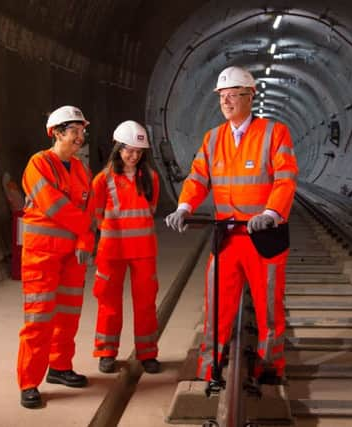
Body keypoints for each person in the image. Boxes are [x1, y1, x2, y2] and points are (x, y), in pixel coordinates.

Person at [165, 66, 298, 384]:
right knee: (217, 306)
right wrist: (184, 206)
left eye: (233, 95)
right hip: (227, 236)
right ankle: (210, 365)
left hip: (264, 236)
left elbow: (285, 177)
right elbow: (198, 178)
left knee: (269, 307)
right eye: (222, 96)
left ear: (250, 96)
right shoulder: (213, 138)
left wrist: (271, 213)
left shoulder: (273, 133)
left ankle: (270, 366)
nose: (226, 102)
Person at [17, 105, 95, 409]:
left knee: (68, 316)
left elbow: (89, 211)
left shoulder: (81, 170)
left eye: (82, 131)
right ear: (57, 133)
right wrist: (85, 228)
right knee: (38, 320)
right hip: (42, 256)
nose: (80, 137)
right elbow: (53, 206)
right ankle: (28, 382)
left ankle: (59, 368)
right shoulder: (38, 164)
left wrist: (86, 241)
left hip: (72, 257)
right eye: (74, 131)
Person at [91, 121, 161, 374]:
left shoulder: (151, 178)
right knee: (108, 303)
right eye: (129, 150)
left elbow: (150, 209)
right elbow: (96, 216)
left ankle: (148, 353)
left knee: (145, 304)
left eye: (139, 152)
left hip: (143, 251)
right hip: (112, 252)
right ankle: (106, 352)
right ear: (117, 149)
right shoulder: (102, 180)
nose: (133, 156)